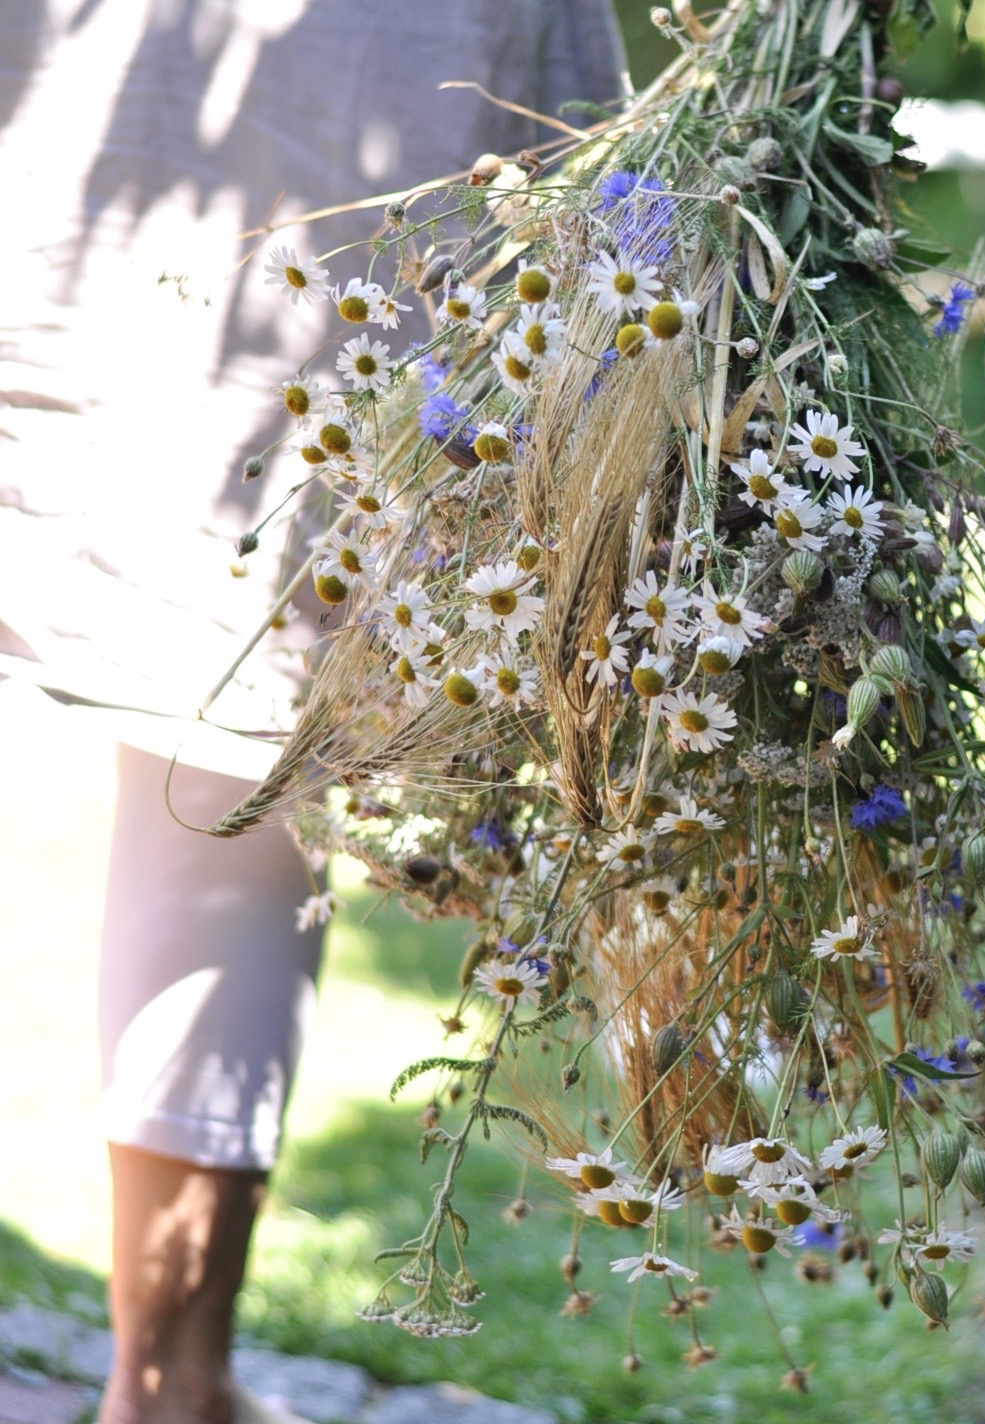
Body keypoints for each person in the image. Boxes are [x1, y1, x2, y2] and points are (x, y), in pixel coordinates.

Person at [0, 6, 626, 1423]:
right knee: (227, 810)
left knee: (228, 799)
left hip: (110, 257)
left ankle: (172, 1382)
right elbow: (585, 177)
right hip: (290, 333)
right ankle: (167, 1386)